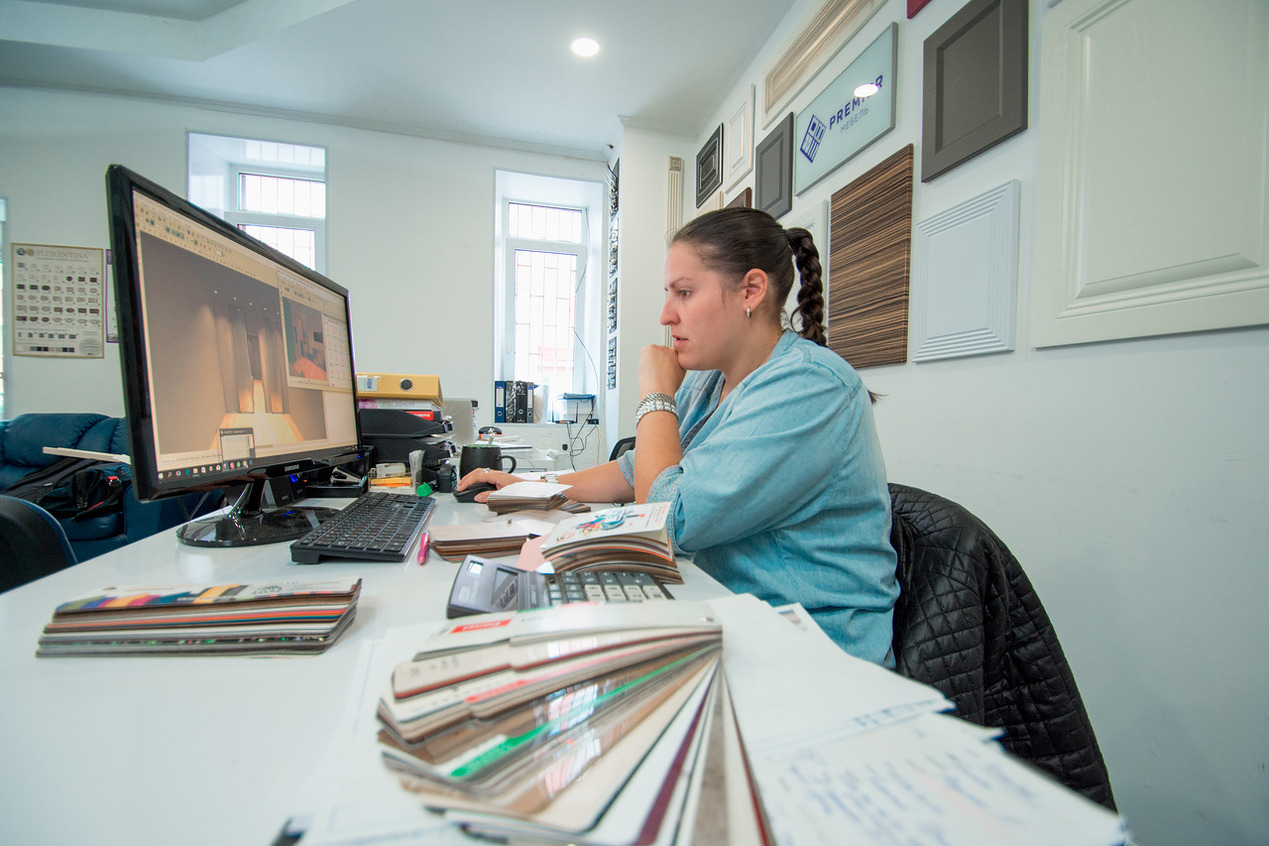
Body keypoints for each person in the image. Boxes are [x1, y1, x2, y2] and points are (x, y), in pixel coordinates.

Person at [457, 206, 898, 666]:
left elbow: (664, 519)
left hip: (812, 652)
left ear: (751, 290)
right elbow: (636, 472)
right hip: (722, 611)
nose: (666, 315)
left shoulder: (809, 385)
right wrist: (531, 486)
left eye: (684, 293)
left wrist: (655, 392)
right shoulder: (709, 378)